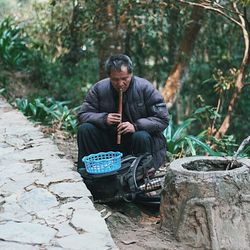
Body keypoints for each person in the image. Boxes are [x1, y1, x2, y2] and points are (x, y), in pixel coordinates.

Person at [77, 54, 169, 171]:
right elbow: (82, 114)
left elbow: (163, 119)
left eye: (125, 79)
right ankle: (87, 173)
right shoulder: (99, 88)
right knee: (85, 129)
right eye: (115, 80)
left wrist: (136, 126)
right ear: (109, 76)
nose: (120, 84)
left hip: (137, 143)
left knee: (141, 136)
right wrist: (104, 119)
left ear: (131, 74)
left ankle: (140, 174)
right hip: (110, 143)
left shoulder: (145, 87)